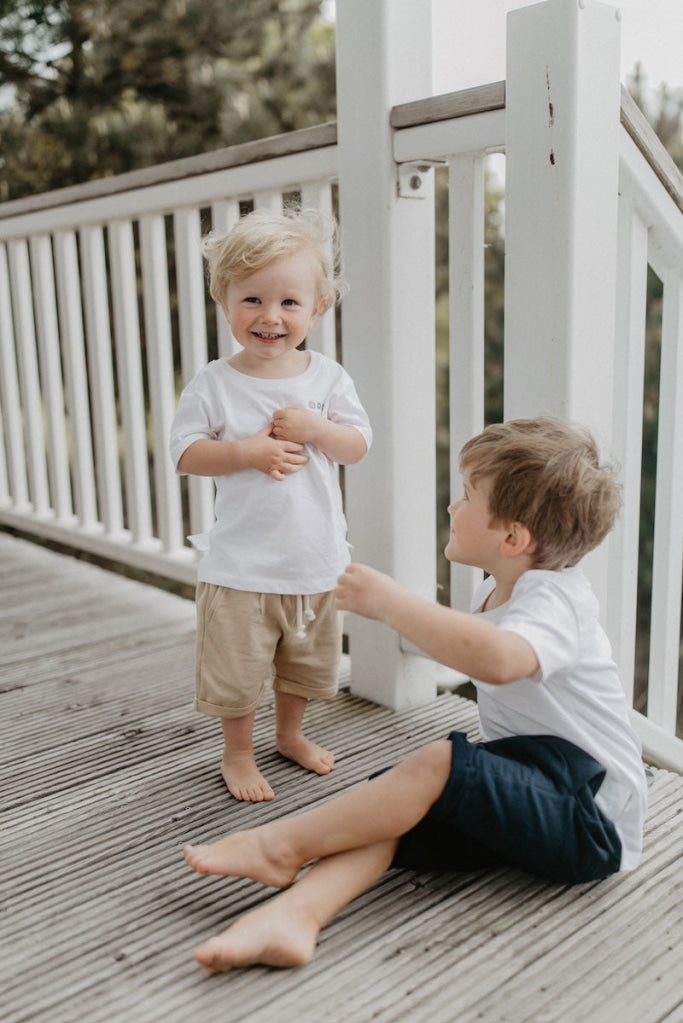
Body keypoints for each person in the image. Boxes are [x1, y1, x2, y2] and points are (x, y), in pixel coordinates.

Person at [182, 416, 648, 971]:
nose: (453, 507)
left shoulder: (556, 602)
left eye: (467, 497)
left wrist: (390, 602)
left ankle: (280, 846)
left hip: (590, 817)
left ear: (513, 537)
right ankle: (295, 916)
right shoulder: (498, 587)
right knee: (393, 807)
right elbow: (470, 644)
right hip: (539, 780)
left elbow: (499, 659)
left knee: (441, 763)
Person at [169, 208, 372, 802]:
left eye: (289, 303)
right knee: (236, 672)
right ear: (225, 300)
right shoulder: (214, 382)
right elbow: (186, 453)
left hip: (313, 562)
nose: (270, 316)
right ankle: (237, 752)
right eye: (252, 299)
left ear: (317, 310)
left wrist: (314, 428)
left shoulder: (327, 380)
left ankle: (289, 733)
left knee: (304, 665)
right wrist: (247, 454)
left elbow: (357, 446)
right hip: (240, 567)